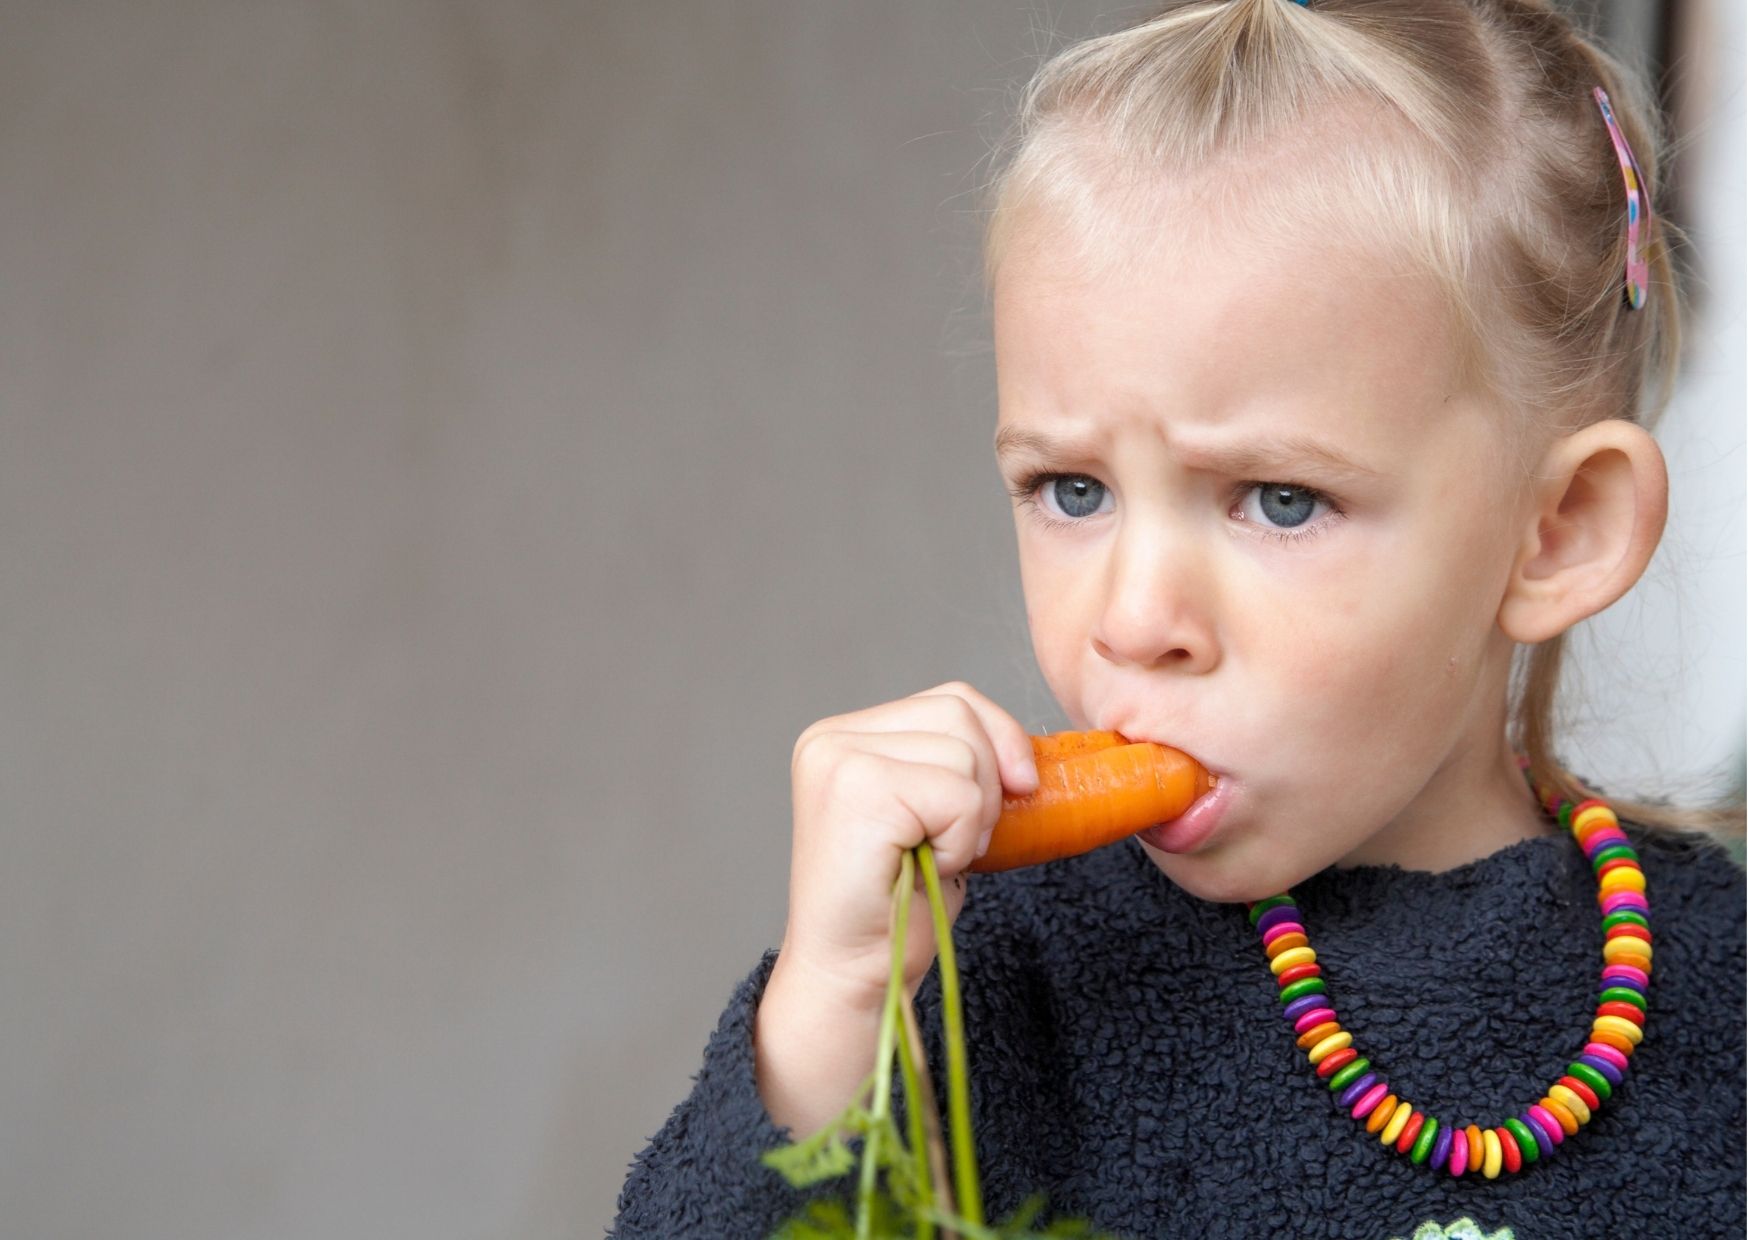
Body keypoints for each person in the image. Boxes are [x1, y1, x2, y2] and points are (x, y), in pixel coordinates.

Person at [610, 1, 1745, 1235]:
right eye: (1072, 490)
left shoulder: (1718, 984)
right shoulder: (986, 983)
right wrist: (827, 1022)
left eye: (1278, 500)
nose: (1135, 619)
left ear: (1558, 530)